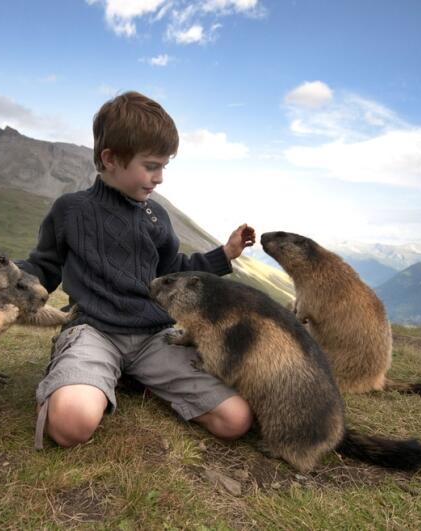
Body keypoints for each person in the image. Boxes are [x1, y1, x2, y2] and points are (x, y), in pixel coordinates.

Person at [17, 91, 256, 448]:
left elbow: (174, 270)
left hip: (154, 338)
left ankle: (133, 376)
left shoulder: (156, 215)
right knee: (71, 425)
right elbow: (43, 267)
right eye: (151, 165)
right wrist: (3, 278)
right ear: (110, 158)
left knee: (235, 420)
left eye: (164, 166)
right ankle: (76, 378)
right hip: (93, 331)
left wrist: (225, 254)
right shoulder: (70, 210)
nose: (159, 178)